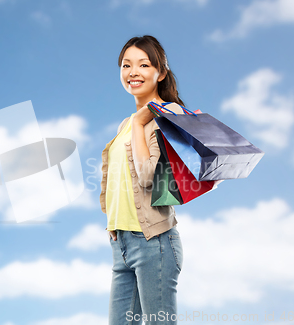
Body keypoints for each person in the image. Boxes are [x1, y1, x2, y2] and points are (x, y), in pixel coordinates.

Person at [99, 35, 185, 325]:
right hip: (122, 243)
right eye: (126, 65)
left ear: (160, 72)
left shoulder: (168, 114)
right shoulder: (126, 122)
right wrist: (111, 221)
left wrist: (140, 122)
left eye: (143, 64)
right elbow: (114, 177)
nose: (132, 72)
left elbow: (150, 177)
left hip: (154, 243)